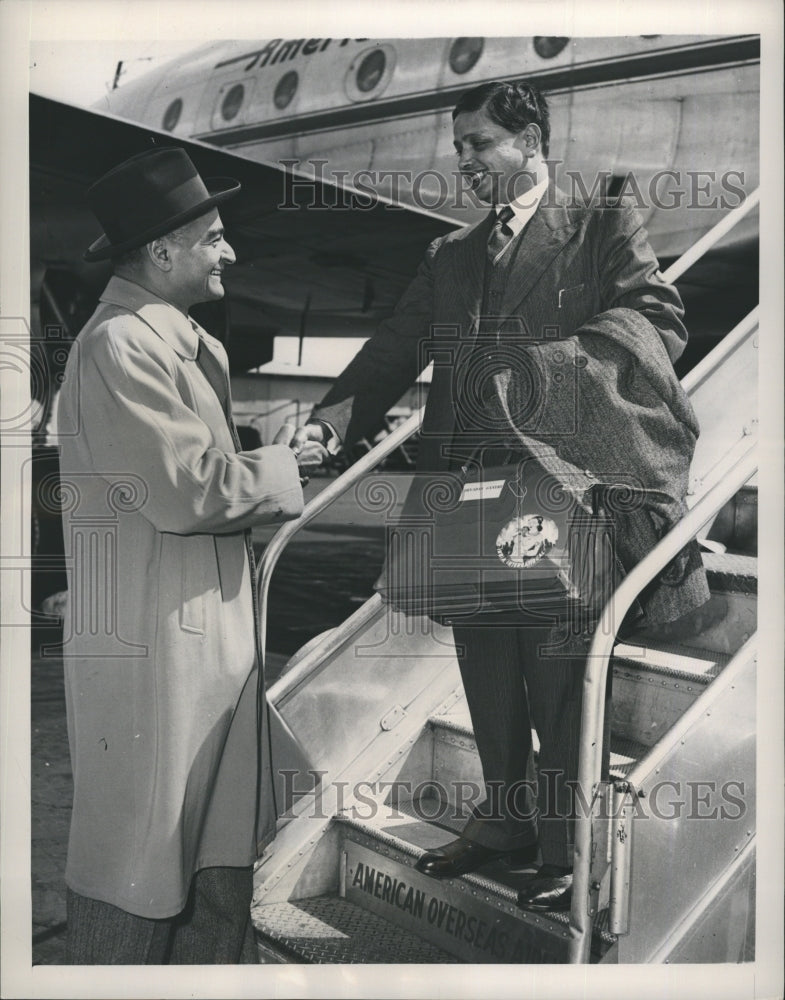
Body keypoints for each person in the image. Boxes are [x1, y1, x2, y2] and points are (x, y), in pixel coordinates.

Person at [284, 81, 710, 912]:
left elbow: (657, 321)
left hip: (562, 487)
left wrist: (547, 372)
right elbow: (394, 349)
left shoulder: (599, 220)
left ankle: (565, 843)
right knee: (485, 666)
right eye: (460, 149)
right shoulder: (450, 255)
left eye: (478, 145)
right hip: (469, 495)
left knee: (557, 675)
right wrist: (330, 428)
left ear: (531, 140)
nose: (465, 162)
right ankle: (505, 820)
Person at [56, 148, 312, 963]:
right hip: (157, 655)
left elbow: (189, 475)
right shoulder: (122, 345)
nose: (229, 251)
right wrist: (280, 466)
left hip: (200, 652)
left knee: (210, 866)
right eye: (215, 236)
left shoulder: (166, 343)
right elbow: (185, 493)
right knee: (137, 867)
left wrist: (267, 455)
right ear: (163, 252)